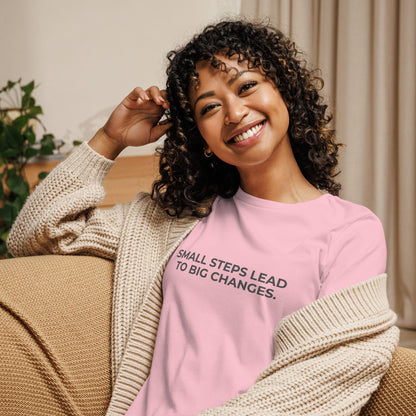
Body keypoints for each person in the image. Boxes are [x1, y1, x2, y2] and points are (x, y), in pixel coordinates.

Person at [6, 20, 398, 416]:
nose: (234, 112)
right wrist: (110, 139)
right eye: (209, 107)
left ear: (285, 90)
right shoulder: (176, 220)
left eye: (246, 87)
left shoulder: (350, 231)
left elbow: (327, 374)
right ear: (201, 137)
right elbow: (37, 235)